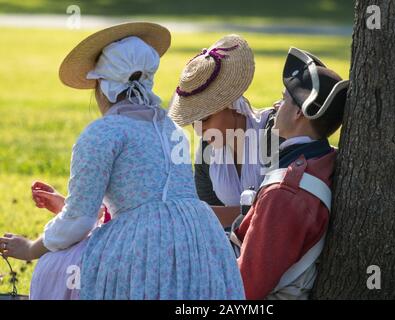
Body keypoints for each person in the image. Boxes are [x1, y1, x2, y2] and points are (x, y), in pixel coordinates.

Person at [0, 22, 245, 300]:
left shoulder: (103, 132)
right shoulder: (171, 130)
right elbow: (150, 197)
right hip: (200, 243)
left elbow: (80, 221)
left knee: (54, 267)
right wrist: (67, 207)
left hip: (140, 245)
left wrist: (31, 249)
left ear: (102, 87)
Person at [229, 47, 349, 299]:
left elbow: (245, 289)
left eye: (284, 99)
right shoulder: (324, 157)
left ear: (299, 113)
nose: (276, 105)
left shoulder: (284, 194)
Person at [169, 34, 279, 228]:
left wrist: (197, 214)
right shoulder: (206, 151)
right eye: (192, 123)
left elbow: (280, 210)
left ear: (230, 104)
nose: (199, 131)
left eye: (204, 119)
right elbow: (207, 218)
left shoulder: (273, 131)